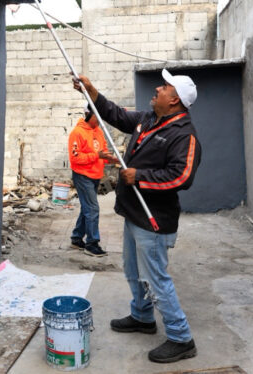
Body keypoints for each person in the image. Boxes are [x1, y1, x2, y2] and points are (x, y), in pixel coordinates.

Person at [73, 69, 202, 363]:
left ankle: (181, 338)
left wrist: (139, 176)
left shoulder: (184, 135)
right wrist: (90, 91)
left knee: (156, 278)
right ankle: (143, 317)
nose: (158, 88)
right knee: (133, 271)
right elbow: (115, 114)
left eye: (165, 87)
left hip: (154, 219)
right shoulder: (148, 119)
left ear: (175, 101)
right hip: (133, 214)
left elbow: (181, 176)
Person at [68, 103, 116, 257]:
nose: (100, 119)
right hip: (83, 176)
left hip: (95, 176)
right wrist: (97, 156)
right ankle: (92, 243)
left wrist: (113, 159)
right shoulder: (77, 133)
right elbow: (75, 158)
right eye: (97, 115)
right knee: (93, 209)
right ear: (88, 114)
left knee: (87, 208)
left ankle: (76, 238)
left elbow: (103, 151)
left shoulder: (99, 132)